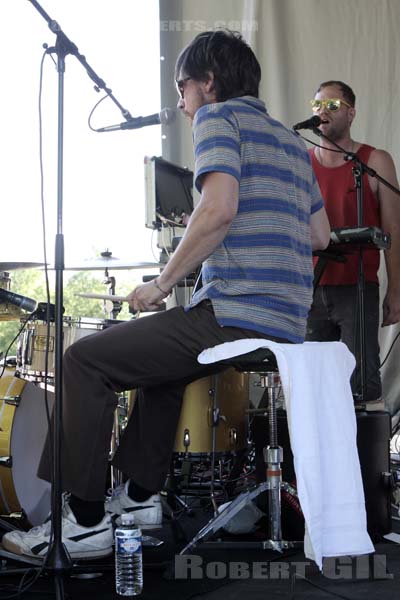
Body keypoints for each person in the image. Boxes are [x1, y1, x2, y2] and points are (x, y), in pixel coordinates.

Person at [2, 30, 330, 560]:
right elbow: (320, 236)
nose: (180, 102)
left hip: (236, 315)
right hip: (287, 322)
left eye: (183, 88)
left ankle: (83, 521)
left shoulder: (217, 118)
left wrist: (161, 283)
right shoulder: (293, 142)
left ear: (209, 83)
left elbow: (219, 209)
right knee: (162, 369)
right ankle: (137, 498)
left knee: (85, 360)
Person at [306, 80, 400, 404]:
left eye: (332, 105)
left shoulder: (375, 161)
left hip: (357, 289)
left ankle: (366, 454)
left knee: (361, 384)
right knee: (313, 385)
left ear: (351, 113)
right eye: (317, 105)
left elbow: (394, 229)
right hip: (310, 290)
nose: (322, 111)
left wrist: (396, 291)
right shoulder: (300, 163)